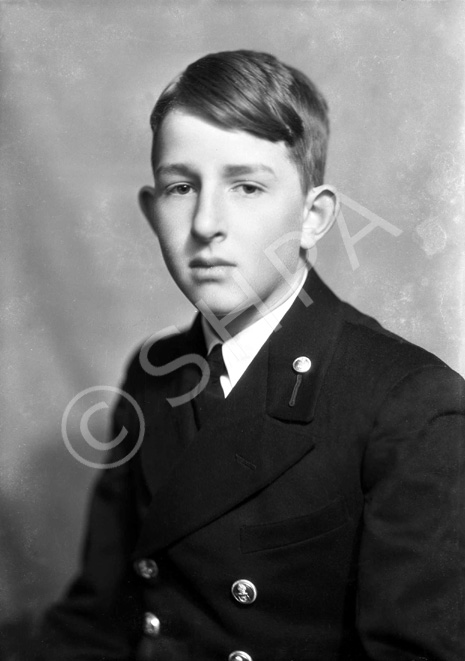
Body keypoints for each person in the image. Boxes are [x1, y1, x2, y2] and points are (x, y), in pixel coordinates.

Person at [38, 50, 465, 661]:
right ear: (152, 211)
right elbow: (94, 623)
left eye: (246, 186)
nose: (207, 223)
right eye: (181, 187)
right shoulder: (154, 375)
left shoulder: (413, 406)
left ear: (314, 218)